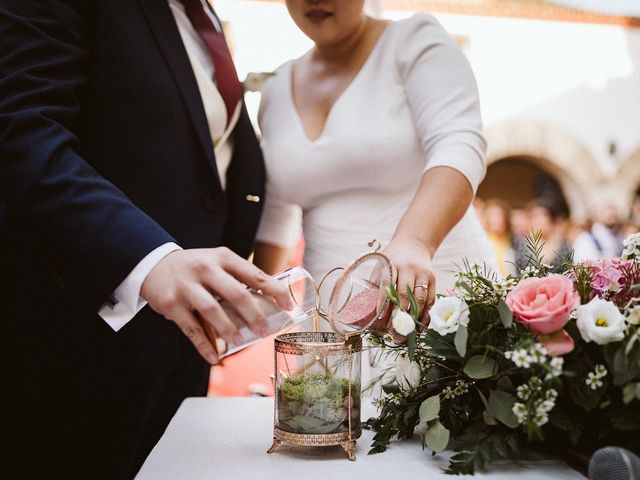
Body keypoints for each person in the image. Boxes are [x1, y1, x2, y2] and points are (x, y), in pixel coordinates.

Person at [0, 1, 292, 478]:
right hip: (79, 337)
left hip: (182, 334)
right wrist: (149, 259)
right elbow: (23, 128)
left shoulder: (203, 15)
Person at [253, 1, 495, 327]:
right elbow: (277, 212)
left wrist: (415, 241)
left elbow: (457, 143)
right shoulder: (275, 86)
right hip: (333, 315)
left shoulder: (413, 40)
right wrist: (256, 300)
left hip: (436, 296)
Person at [514, 199, 571, 269]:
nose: (538, 221)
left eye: (543, 216)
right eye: (534, 217)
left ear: (551, 219)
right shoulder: (521, 242)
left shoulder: (564, 242)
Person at [484, 199, 516, 276]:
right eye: (492, 215)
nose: (496, 220)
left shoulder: (512, 240)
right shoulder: (483, 240)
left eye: (499, 215)